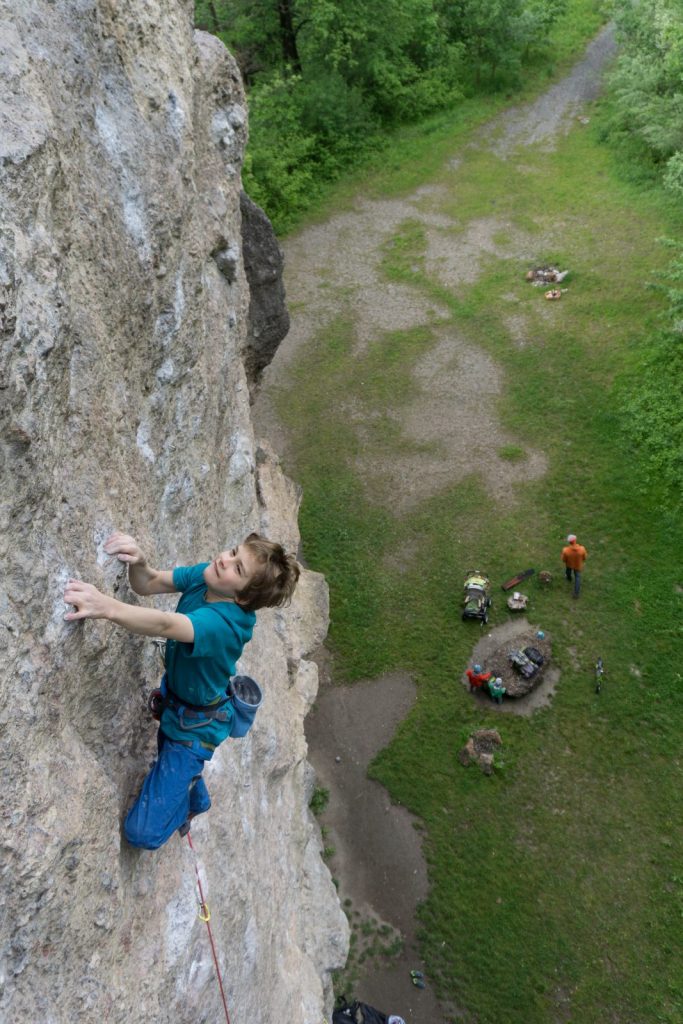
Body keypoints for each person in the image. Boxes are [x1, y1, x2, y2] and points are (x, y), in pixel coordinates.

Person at [64, 530, 300, 850]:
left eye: (238, 568)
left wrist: (104, 606)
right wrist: (140, 561)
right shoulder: (209, 578)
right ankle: (193, 793)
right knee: (168, 761)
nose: (224, 559)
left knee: (141, 834)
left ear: (242, 598)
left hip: (193, 733)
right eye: (233, 551)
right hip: (178, 705)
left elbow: (164, 624)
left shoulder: (224, 626)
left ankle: (187, 802)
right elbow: (147, 583)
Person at [561, 533, 588, 598]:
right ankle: (576, 593)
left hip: (569, 564)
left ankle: (569, 578)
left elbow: (563, 559)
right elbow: (585, 557)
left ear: (569, 542)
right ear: (575, 540)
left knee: (568, 571)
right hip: (578, 565)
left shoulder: (565, 550)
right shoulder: (582, 549)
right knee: (577, 577)